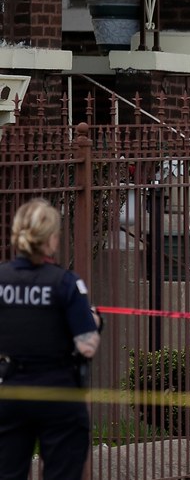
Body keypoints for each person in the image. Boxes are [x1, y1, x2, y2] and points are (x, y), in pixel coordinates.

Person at [0, 199, 102, 480]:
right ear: (50, 239)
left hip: (9, 391)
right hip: (58, 393)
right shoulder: (66, 283)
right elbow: (87, 346)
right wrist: (94, 320)